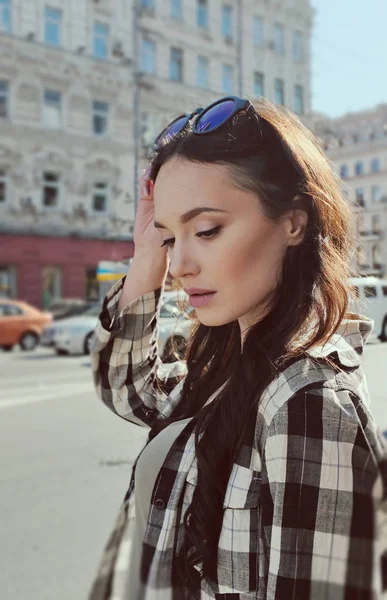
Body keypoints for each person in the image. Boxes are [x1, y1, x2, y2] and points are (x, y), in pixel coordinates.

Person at [88, 97, 387, 600]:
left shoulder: (307, 403)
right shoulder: (225, 358)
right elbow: (128, 391)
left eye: (206, 230)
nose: (180, 263)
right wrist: (146, 257)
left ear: (293, 223)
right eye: (170, 238)